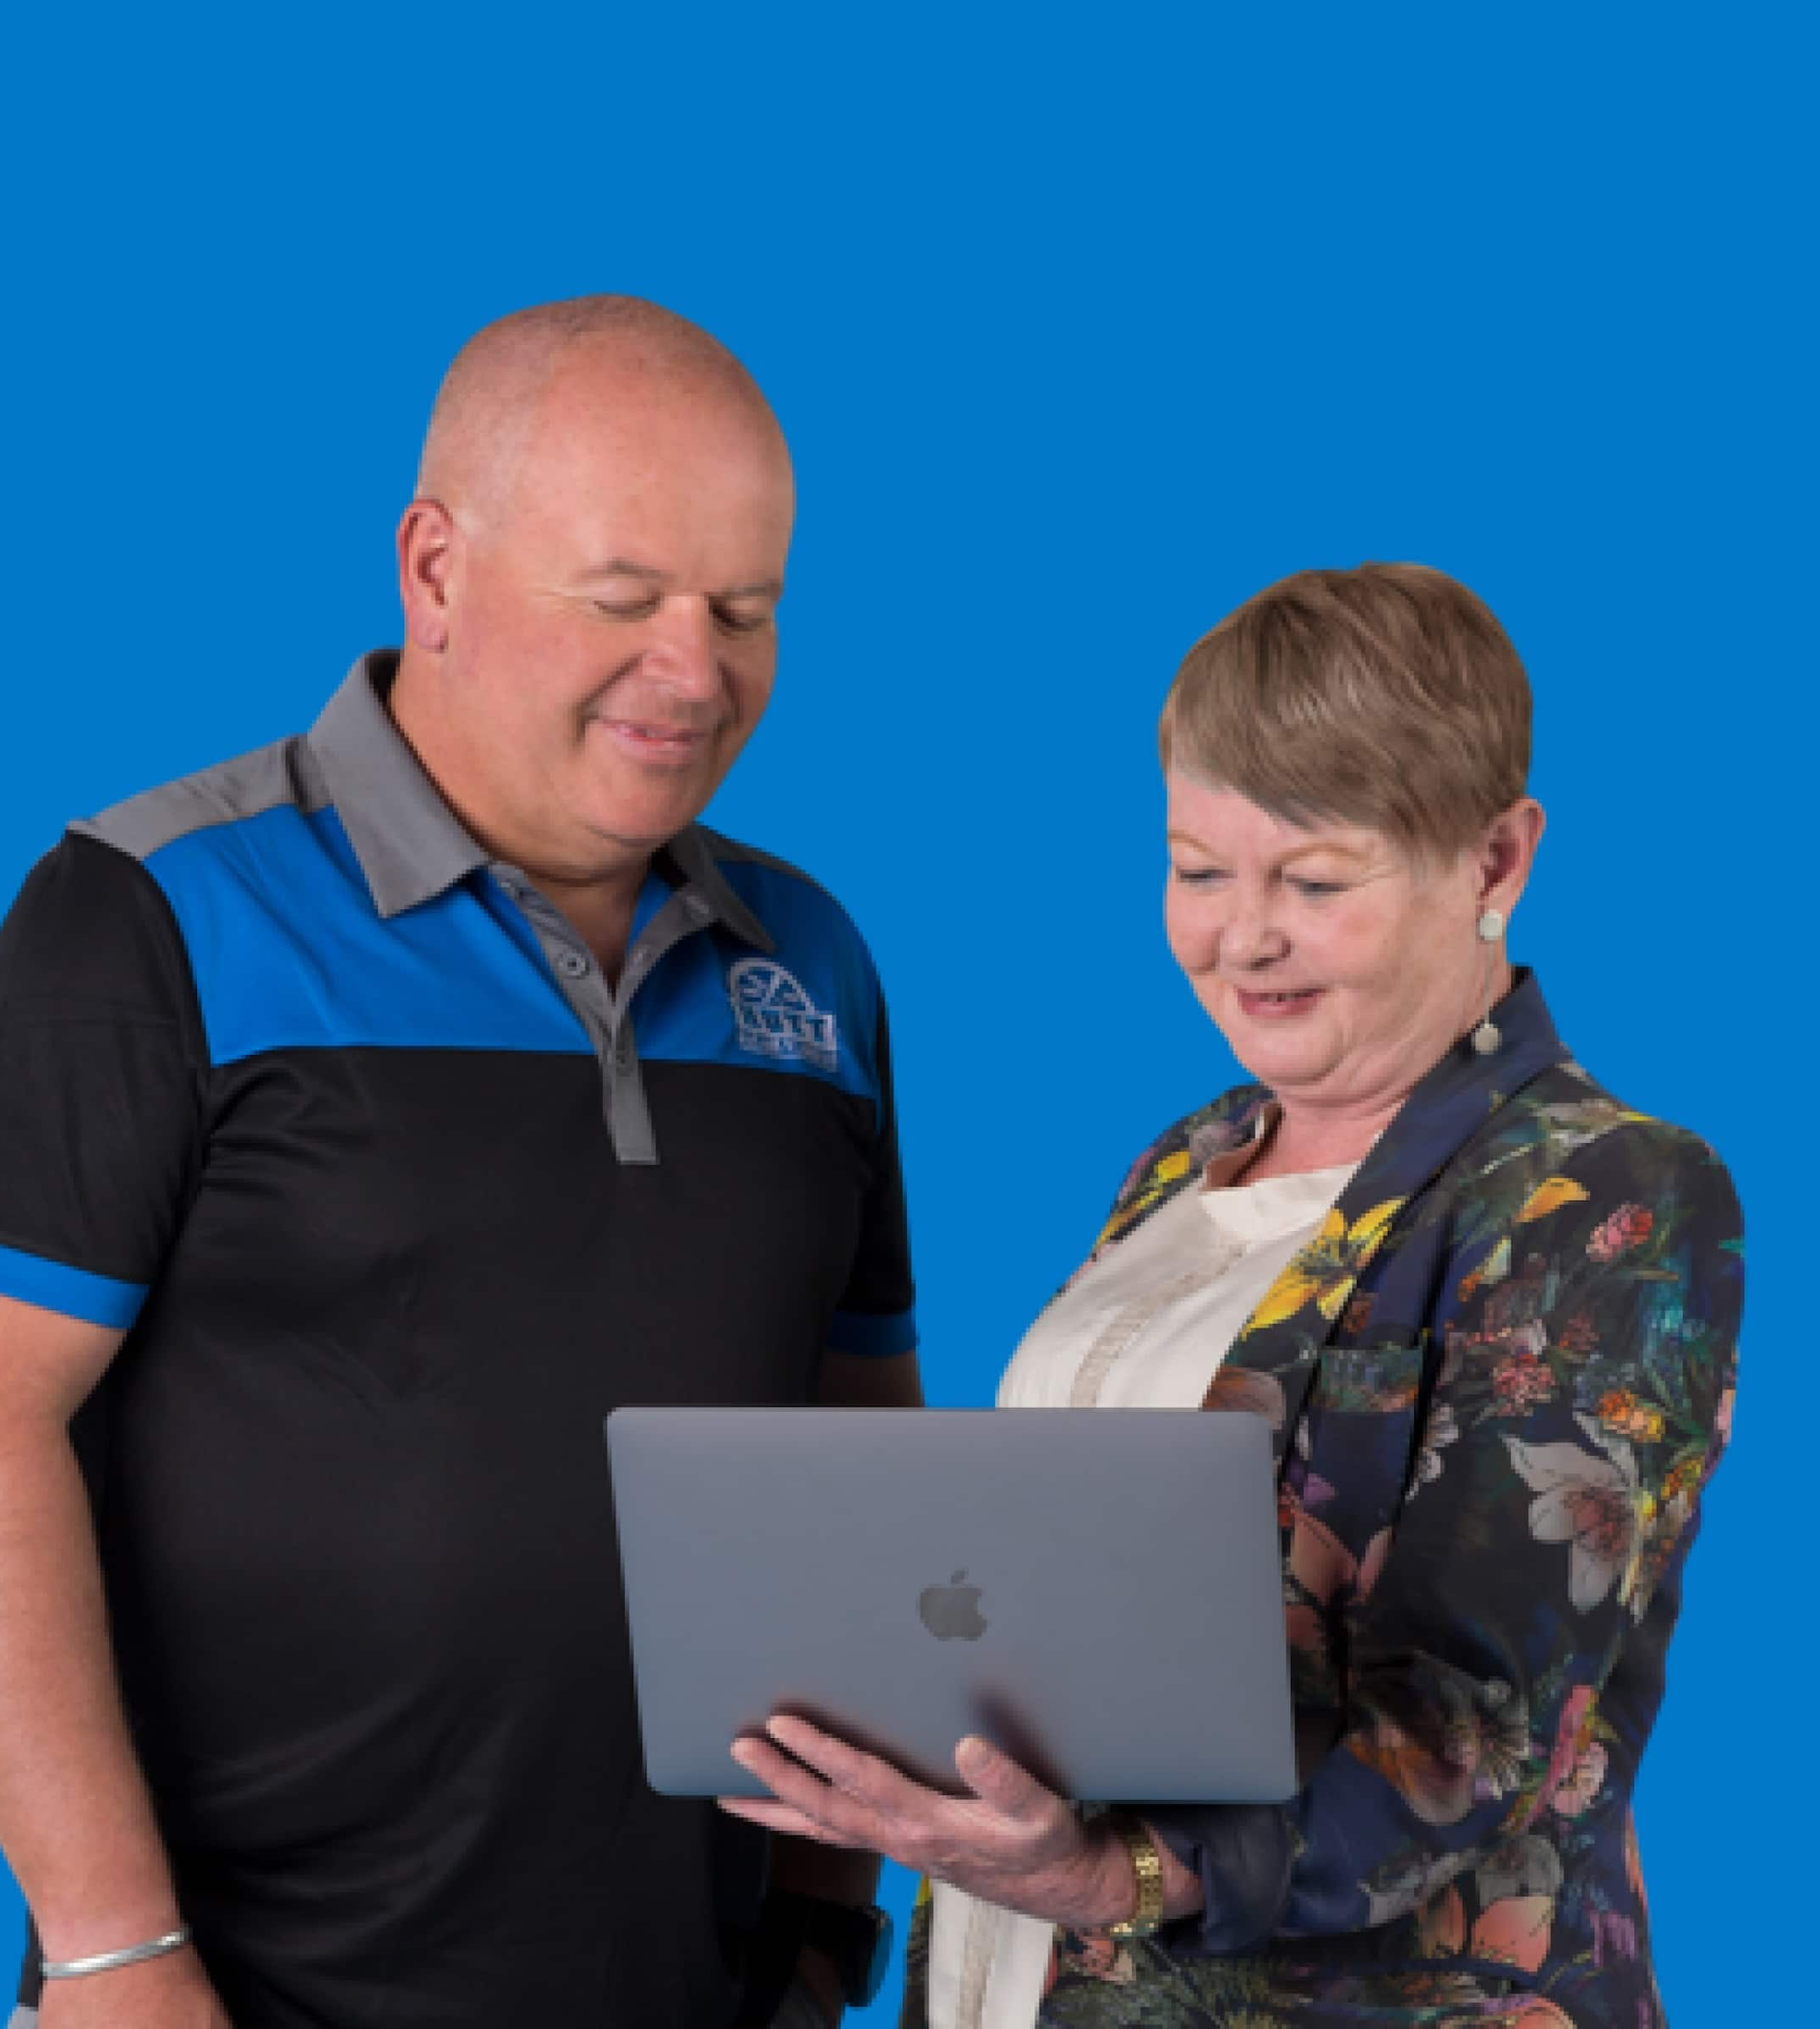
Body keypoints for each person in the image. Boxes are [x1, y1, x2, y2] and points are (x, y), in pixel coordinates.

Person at [0, 295, 921, 2029]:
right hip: (248, 1994)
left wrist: (823, 1923)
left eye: (744, 610)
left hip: (700, 1987)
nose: (695, 669)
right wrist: (111, 1952)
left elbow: (858, 1453)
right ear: (433, 570)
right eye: (625, 597)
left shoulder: (807, 957)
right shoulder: (153, 916)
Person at [724, 565, 1741, 2029]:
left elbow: (1475, 1735)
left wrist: (1110, 1875)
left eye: (1316, 881)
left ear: (1496, 861)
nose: (1242, 937)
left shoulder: (1605, 1195)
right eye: (1200, 869)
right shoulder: (1185, 1163)